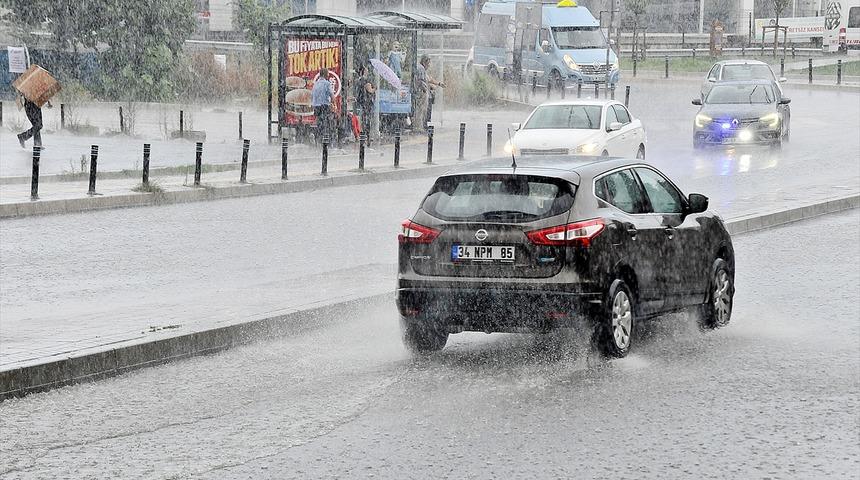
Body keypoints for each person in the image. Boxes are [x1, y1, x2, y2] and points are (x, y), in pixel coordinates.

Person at [413, 55, 445, 133]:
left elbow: (428, 79)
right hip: (421, 93)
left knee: (422, 110)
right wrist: (425, 89)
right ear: (425, 62)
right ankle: (418, 127)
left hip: (422, 92)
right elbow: (421, 81)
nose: (429, 65)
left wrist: (439, 84)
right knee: (420, 110)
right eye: (428, 63)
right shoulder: (421, 69)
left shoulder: (422, 68)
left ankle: (420, 126)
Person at [311, 67, 334, 145]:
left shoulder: (316, 84)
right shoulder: (327, 83)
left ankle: (318, 138)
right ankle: (326, 141)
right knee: (326, 123)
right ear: (325, 74)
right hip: (324, 106)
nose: (328, 74)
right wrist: (334, 104)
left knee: (319, 123)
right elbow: (332, 95)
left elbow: (313, 96)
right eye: (328, 73)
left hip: (316, 106)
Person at [354, 65, 376, 146]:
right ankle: (368, 137)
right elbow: (369, 90)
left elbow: (358, 92)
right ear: (364, 72)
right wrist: (375, 88)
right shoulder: (366, 80)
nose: (367, 72)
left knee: (362, 120)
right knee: (368, 120)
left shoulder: (358, 80)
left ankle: (362, 136)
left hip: (361, 103)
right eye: (366, 70)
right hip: (367, 103)